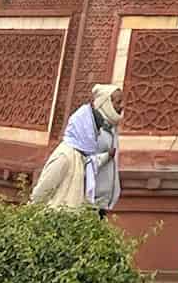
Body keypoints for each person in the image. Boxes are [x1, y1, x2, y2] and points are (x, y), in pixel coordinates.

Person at [30, 84, 123, 214]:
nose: (95, 135)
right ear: (85, 131)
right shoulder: (64, 156)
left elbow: (91, 164)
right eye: (93, 131)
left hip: (73, 221)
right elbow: (42, 192)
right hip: (56, 221)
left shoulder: (79, 156)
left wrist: (107, 156)